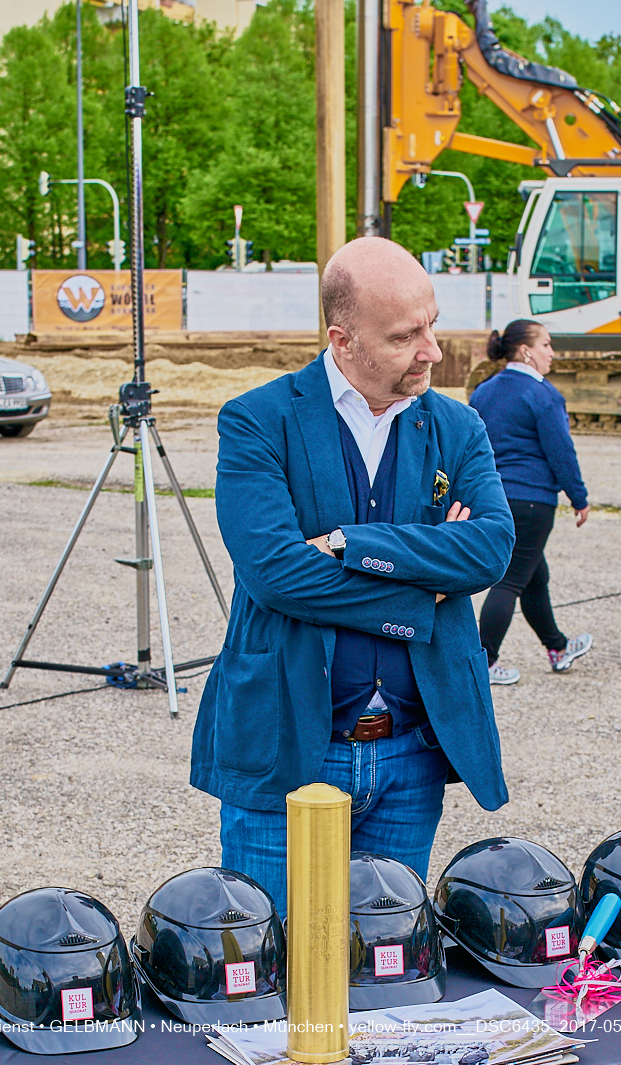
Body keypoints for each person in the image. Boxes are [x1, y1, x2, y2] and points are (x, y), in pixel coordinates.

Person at [190, 237, 515, 914]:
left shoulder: (458, 426)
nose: (432, 350)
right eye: (405, 336)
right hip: (286, 747)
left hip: (411, 756)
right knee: (272, 964)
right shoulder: (258, 421)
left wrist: (348, 543)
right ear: (343, 340)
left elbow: (489, 550)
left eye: (431, 324)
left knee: (386, 973)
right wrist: (424, 590)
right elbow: (276, 573)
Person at [469, 319, 592, 685]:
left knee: (534, 575)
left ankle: (557, 648)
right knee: (510, 581)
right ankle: (483, 662)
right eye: (547, 345)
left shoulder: (483, 392)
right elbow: (561, 452)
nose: (552, 353)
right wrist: (579, 496)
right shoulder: (543, 395)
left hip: (491, 497)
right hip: (533, 501)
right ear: (526, 351)